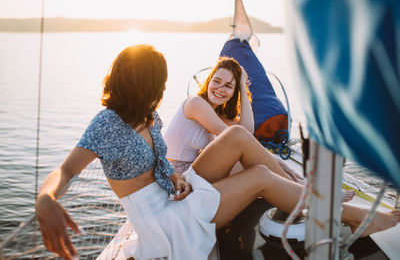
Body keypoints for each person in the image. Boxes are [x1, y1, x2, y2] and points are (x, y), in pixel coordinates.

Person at [35, 44, 400, 260]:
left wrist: (175, 175)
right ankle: (353, 214)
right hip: (161, 221)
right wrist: (46, 199)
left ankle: (316, 194)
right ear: (142, 83)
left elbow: (160, 161)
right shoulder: (107, 124)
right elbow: (64, 172)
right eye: (158, 81)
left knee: (238, 138)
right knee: (259, 177)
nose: (162, 88)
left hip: (175, 190)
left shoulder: (149, 116)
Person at [163, 56, 303, 183]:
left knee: (257, 165)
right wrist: (278, 162)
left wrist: (242, 86)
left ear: (234, 92)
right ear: (209, 81)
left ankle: (292, 186)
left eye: (228, 86)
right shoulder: (195, 103)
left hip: (194, 168)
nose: (220, 89)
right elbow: (240, 140)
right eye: (216, 81)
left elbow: (247, 132)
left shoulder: (217, 113)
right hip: (177, 174)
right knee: (252, 163)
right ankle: (294, 188)